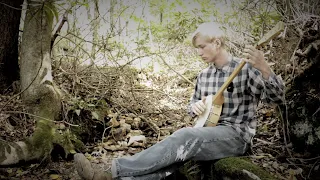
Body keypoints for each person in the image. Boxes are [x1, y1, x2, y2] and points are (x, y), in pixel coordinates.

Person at [74, 22, 285, 180]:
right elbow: (193, 106)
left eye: (202, 46)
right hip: (206, 132)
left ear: (217, 43)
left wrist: (265, 68)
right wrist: (195, 107)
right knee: (173, 165)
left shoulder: (246, 68)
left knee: (184, 136)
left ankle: (111, 170)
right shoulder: (204, 75)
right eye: (197, 48)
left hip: (236, 136)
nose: (199, 52)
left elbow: (276, 99)